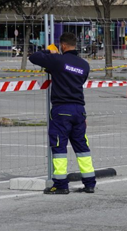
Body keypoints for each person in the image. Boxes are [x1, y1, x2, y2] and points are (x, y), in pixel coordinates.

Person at [29, 32, 96, 195]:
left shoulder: (58, 60)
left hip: (62, 109)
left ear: (63, 45)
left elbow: (34, 57)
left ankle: (60, 184)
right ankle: (89, 183)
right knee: (82, 146)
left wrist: (49, 52)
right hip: (79, 110)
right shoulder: (84, 65)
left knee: (59, 146)